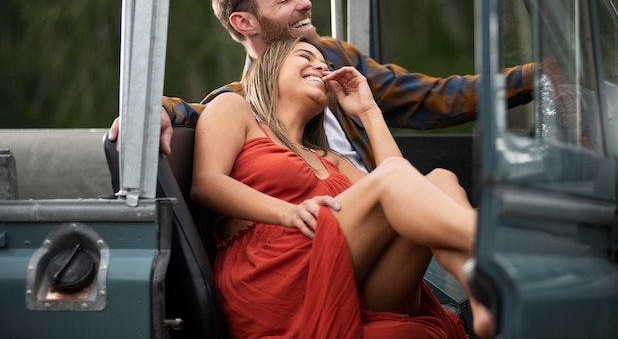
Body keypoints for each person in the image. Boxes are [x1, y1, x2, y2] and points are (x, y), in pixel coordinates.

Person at [108, 0, 535, 172]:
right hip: (337, 232)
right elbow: (200, 112)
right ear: (245, 23)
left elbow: (432, 97)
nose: (305, 4)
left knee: (447, 189)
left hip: (392, 207)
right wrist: (152, 109)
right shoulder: (244, 101)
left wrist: (535, 77)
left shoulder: (335, 56)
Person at [191, 35, 492, 339]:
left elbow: (406, 196)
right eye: (305, 57)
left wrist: (368, 111)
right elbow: (207, 183)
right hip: (272, 275)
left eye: (325, 63)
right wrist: (287, 213)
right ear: (269, 68)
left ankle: (483, 296)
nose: (320, 65)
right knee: (397, 178)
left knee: (439, 180)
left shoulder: (331, 159)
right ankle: (498, 241)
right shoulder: (235, 109)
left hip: (340, 278)